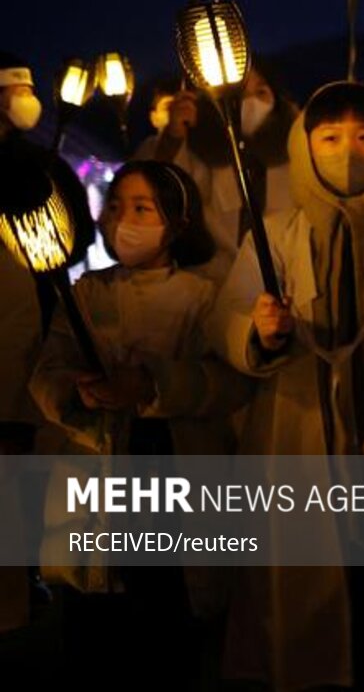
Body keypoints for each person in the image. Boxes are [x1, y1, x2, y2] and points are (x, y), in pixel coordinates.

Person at [207, 81, 364, 691]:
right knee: (312, 592)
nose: (348, 151)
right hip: (304, 444)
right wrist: (259, 332)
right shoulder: (274, 235)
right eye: (329, 138)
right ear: (305, 148)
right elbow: (227, 319)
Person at [28, 159, 241, 687]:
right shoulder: (85, 292)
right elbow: (47, 369)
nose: (125, 219)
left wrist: (151, 385)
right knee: (92, 630)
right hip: (93, 486)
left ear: (177, 220)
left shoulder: (204, 298)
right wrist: (75, 394)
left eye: (143, 208)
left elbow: (226, 385)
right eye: (117, 206)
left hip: (172, 481)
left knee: (166, 636)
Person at [0, 52, 94, 633]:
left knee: (15, 464)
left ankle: (17, 588)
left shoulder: (40, 168)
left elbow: (73, 238)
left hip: (23, 334)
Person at [137, 62, 299, 283]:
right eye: (241, 93)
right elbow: (165, 190)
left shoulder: (295, 147)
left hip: (289, 275)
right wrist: (173, 137)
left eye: (260, 92)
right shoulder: (204, 148)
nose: (251, 101)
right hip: (219, 280)